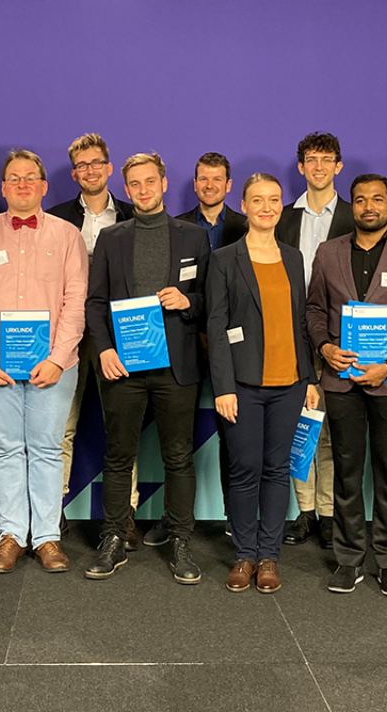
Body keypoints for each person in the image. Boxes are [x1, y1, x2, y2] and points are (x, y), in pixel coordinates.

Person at [0, 150, 88, 574]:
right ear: (3, 188)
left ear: (45, 187)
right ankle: (11, 535)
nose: (23, 185)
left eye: (31, 178)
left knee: (48, 449)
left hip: (55, 365)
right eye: (14, 178)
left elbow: (76, 301)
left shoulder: (68, 236)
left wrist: (58, 358)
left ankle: (47, 538)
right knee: (6, 448)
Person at [306, 174, 387, 596]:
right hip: (341, 381)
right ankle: (348, 559)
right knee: (346, 472)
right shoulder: (328, 253)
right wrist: (325, 348)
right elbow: (312, 310)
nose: (369, 206)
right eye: (361, 199)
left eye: (377, 199)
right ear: (352, 206)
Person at [83, 152, 209, 583]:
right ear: (127, 188)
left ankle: (180, 540)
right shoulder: (111, 238)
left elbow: (213, 300)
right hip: (124, 365)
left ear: (164, 182)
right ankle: (115, 537)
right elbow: (95, 302)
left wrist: (189, 301)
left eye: (149, 181)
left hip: (177, 366)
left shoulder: (193, 237)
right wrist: (103, 349)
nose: (142, 189)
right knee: (118, 457)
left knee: (178, 457)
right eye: (134, 183)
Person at [208, 173, 320, 594]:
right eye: (258, 200)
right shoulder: (224, 259)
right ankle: (244, 555)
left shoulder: (294, 258)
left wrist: (308, 377)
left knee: (277, 471)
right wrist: (223, 387)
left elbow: (300, 322)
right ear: (245, 205)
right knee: (243, 470)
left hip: (289, 383)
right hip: (242, 384)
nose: (267, 208)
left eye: (274, 200)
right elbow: (216, 327)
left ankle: (269, 556)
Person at [46, 133, 138, 544]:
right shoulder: (55, 217)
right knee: (60, 427)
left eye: (97, 163)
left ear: (108, 167)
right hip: (65, 334)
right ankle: (52, 515)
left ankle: (125, 514)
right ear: (74, 173)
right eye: (82, 166)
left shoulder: (135, 217)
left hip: (117, 335)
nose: (90, 171)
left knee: (122, 427)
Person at [275, 132, 355, 550]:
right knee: (297, 427)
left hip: (340, 341)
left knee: (330, 432)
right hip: (289, 338)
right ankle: (304, 512)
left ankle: (328, 514)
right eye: (311, 159)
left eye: (327, 159)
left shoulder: (354, 216)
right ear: (301, 167)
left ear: (338, 166)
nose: (319, 166)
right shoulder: (284, 218)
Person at [174, 151, 249, 541]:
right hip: (185, 339)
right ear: (195, 182)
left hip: (232, 344)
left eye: (217, 179)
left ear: (228, 185)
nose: (209, 185)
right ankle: (177, 524)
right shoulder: (177, 226)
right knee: (178, 436)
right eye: (203, 178)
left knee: (232, 434)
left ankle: (233, 520)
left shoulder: (247, 225)